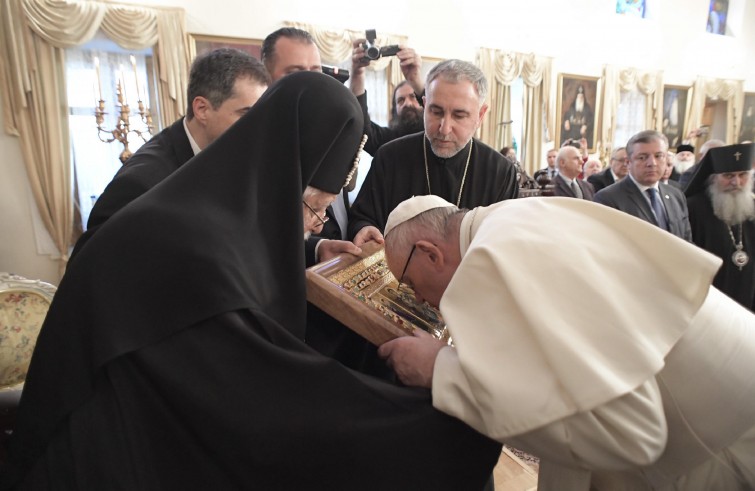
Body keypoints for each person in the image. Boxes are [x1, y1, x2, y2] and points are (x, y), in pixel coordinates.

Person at [1, 72, 501, 490]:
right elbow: (259, 396)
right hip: (105, 450)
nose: (317, 224)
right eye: (314, 208)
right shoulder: (181, 238)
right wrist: (424, 421)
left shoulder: (216, 209)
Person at [377, 194, 755, 490]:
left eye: (409, 284)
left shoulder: (493, 256)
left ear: (430, 252)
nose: (420, 300)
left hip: (721, 444)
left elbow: (629, 434)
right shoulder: (507, 221)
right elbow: (568, 382)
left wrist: (439, 370)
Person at [71, 48, 270, 259]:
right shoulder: (142, 183)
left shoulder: (229, 157)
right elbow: (93, 267)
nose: (259, 127)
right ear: (202, 109)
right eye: (247, 115)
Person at [347, 59, 519, 245]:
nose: (444, 129)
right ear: (425, 104)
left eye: (459, 116)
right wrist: (365, 229)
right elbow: (362, 218)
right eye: (436, 112)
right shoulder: (389, 157)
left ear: (480, 116)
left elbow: (506, 243)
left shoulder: (501, 172)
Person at [262, 27, 358, 262]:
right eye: (295, 74)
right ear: (266, 78)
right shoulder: (259, 146)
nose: (311, 84)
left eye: (315, 72)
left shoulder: (333, 129)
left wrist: (317, 247)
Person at [686, 143, 755, 311]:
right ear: (713, 178)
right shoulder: (693, 207)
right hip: (710, 296)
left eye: (742, 175)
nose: (736, 182)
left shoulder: (752, 205)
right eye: (728, 175)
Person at [594, 130, 691, 241]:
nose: (652, 163)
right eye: (642, 157)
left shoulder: (676, 195)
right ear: (628, 163)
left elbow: (686, 240)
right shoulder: (608, 198)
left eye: (659, 156)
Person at [350, 39, 425, 155]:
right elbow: (361, 127)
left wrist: (415, 79)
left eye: (413, 97)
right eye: (400, 100)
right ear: (394, 109)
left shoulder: (437, 137)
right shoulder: (388, 141)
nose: (407, 103)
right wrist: (357, 73)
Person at [562, 84, 594, 148]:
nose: (580, 99)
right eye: (578, 97)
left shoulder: (587, 108)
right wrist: (566, 121)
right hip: (571, 134)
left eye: (581, 97)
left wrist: (586, 126)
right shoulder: (572, 106)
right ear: (576, 97)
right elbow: (566, 116)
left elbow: (591, 121)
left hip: (582, 136)